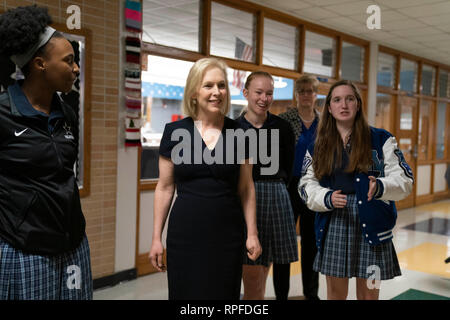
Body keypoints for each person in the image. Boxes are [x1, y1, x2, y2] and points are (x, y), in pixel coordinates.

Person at [149, 57, 262, 300]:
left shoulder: (240, 133)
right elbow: (165, 188)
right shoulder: (175, 132)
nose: (216, 92)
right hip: (185, 235)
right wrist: (156, 237)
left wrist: (252, 233)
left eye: (221, 86)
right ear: (193, 92)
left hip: (227, 235)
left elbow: (246, 188)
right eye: (208, 85)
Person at [0, 5, 92, 300]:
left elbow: (66, 172)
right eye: (68, 61)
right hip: (26, 251)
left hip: (73, 245)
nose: (76, 68)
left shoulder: (67, 112)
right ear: (40, 64)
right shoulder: (3, 113)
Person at [299, 80, 414, 300]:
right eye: (337, 100)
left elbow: (405, 180)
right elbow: (305, 185)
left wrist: (381, 186)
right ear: (330, 108)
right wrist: (326, 197)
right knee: (335, 295)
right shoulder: (317, 145)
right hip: (335, 224)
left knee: (370, 296)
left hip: (374, 227)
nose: (344, 105)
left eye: (350, 99)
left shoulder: (382, 139)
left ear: (358, 105)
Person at [236, 71, 298, 300]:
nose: (264, 98)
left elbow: (289, 169)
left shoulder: (283, 127)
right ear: (246, 94)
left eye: (269, 93)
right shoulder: (233, 129)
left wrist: (278, 189)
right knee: (250, 267)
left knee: (265, 265)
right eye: (258, 92)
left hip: (277, 195)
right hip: (244, 198)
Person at [276, 74, 320, 300]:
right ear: (296, 95)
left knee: (312, 244)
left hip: (313, 189)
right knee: (284, 244)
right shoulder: (284, 120)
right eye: (301, 91)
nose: (306, 95)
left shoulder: (325, 124)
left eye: (310, 91)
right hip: (288, 188)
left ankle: (311, 294)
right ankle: (281, 294)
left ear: (316, 94)